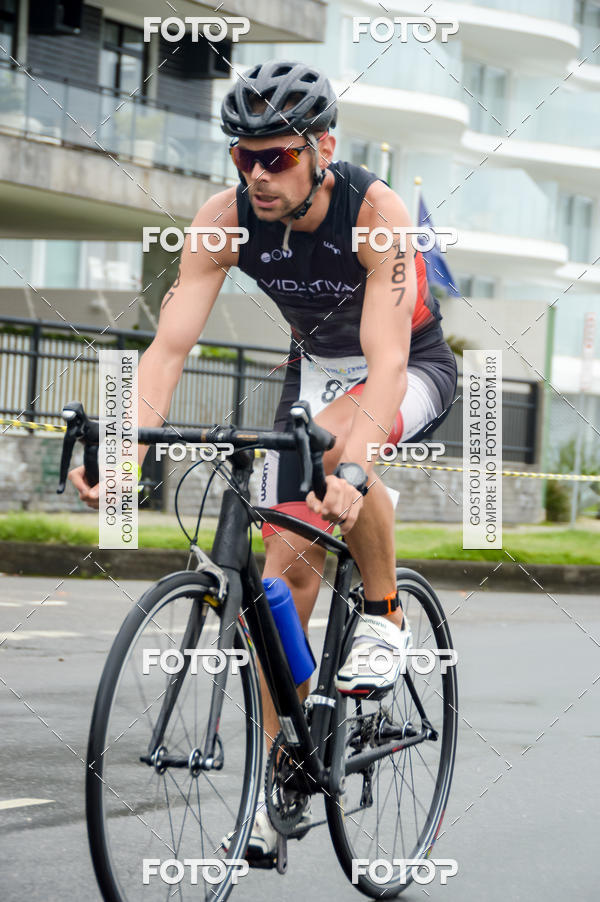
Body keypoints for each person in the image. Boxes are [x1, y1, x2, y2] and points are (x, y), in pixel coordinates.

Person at [69, 59, 457, 860]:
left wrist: (351, 470)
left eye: (275, 155)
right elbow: (169, 347)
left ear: (323, 148)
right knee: (282, 580)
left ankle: (384, 618)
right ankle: (282, 770)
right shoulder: (226, 218)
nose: (256, 173)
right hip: (312, 369)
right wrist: (123, 444)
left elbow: (385, 367)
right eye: (243, 156)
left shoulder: (374, 211)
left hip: (408, 364)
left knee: (347, 441)